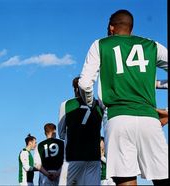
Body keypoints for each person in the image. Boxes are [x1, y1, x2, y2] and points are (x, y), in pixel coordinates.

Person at [78, 9, 168, 185]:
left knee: (126, 180)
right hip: (149, 119)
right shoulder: (152, 45)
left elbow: (84, 83)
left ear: (111, 28)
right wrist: (157, 84)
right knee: (162, 178)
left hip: (117, 118)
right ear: (131, 29)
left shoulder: (100, 44)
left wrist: (90, 102)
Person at [58, 77, 104, 185]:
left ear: (76, 89)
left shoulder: (67, 104)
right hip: (94, 156)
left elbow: (61, 133)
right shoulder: (99, 105)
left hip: (74, 156)